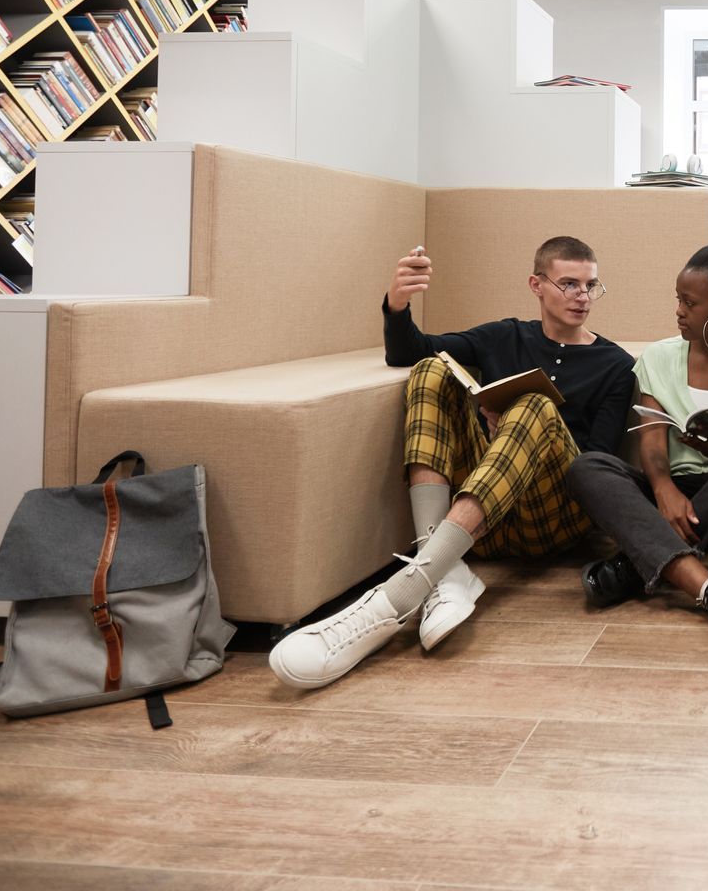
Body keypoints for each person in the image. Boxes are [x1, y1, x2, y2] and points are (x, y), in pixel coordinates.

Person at [269, 235, 637, 689]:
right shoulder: (505, 335)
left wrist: (520, 429)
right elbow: (408, 352)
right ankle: (439, 565)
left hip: (556, 519)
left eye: (591, 286)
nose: (582, 297)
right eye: (569, 284)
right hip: (481, 523)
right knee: (431, 368)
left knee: (534, 407)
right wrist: (398, 304)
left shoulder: (615, 364)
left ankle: (397, 597)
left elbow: (597, 469)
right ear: (536, 285)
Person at [565, 223, 708, 642]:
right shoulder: (658, 359)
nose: (679, 310)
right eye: (678, 299)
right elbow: (652, 440)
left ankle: (632, 564)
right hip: (670, 500)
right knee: (587, 467)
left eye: (690, 303)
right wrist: (663, 489)